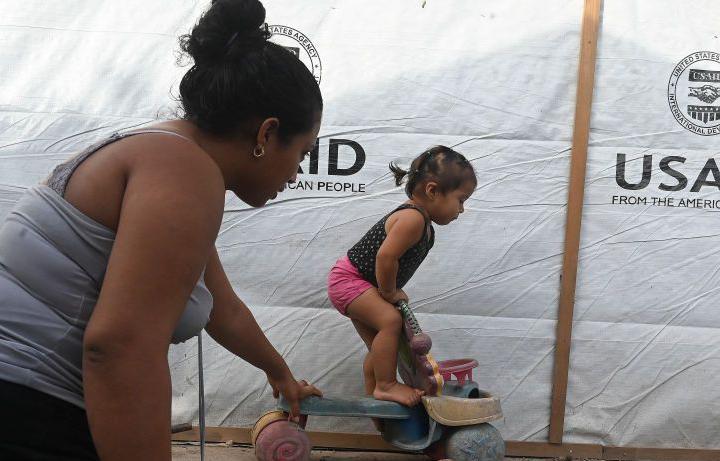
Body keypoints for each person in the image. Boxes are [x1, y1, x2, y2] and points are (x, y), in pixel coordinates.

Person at [0, 0, 322, 459]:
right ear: (267, 134)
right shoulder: (185, 170)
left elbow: (223, 309)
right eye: (302, 152)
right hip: (23, 411)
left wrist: (280, 376)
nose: (295, 175)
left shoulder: (171, 157)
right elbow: (118, 349)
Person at [327, 146, 477, 407]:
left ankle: (375, 399)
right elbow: (385, 257)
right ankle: (385, 386)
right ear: (432, 191)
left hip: (359, 283)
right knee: (391, 322)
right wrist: (388, 292)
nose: (461, 210)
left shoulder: (423, 223)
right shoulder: (412, 219)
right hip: (349, 280)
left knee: (382, 345)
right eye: (461, 200)